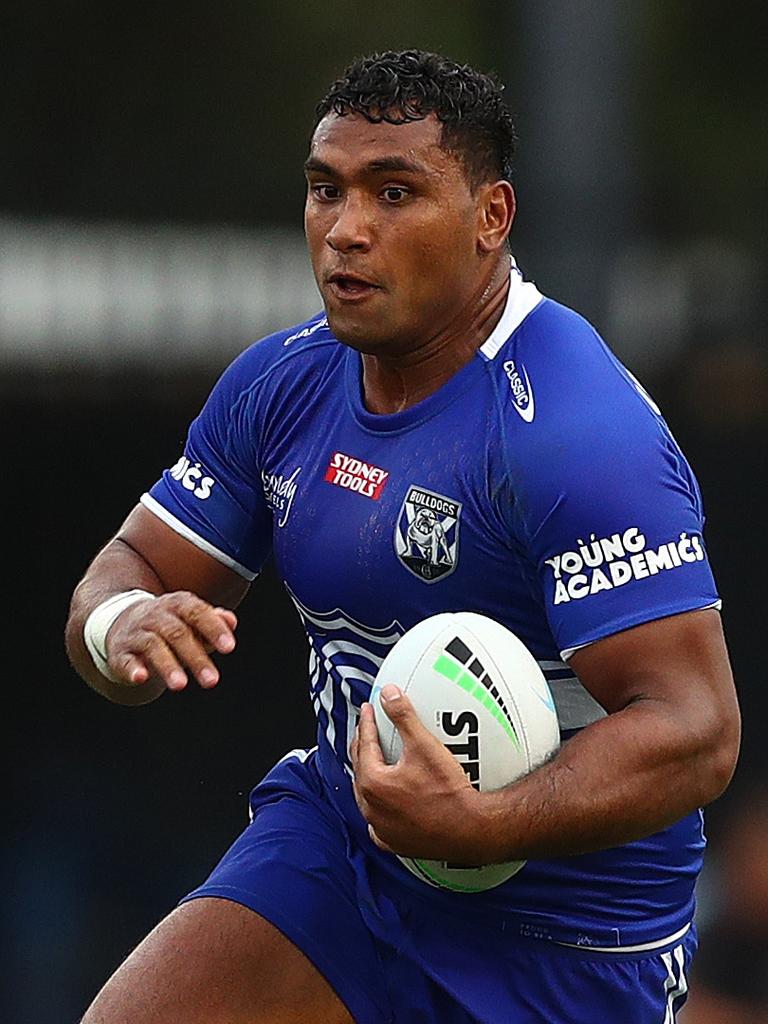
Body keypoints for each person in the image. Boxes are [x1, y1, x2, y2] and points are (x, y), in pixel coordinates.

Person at [66, 49, 740, 1024]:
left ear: (491, 217)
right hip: (346, 853)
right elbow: (127, 568)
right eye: (324, 190)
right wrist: (118, 621)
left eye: (394, 192)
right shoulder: (282, 385)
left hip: (569, 937)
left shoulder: (574, 432)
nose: (346, 229)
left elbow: (697, 730)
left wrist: (488, 820)